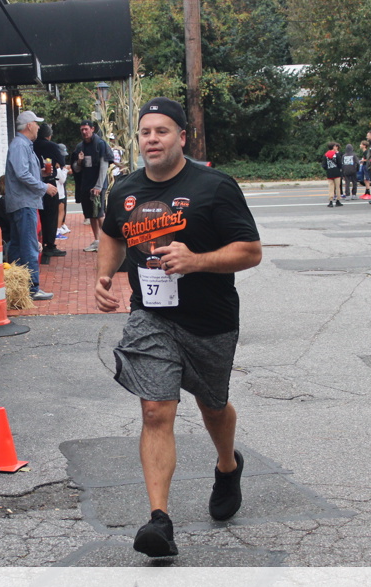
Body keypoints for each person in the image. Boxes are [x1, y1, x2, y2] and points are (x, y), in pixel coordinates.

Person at [94, 97, 262, 558]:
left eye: (162, 131)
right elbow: (111, 233)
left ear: (182, 137)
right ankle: (159, 521)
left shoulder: (215, 187)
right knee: (155, 411)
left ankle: (227, 466)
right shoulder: (125, 190)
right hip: (151, 317)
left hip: (209, 320)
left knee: (213, 406)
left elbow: (250, 251)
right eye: (145, 132)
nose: (152, 139)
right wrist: (104, 276)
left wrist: (196, 260)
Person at [5, 110, 58, 300]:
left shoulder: (22, 144)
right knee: (29, 245)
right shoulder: (20, 145)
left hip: (21, 202)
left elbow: (23, 172)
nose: (38, 127)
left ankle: (18, 286)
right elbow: (22, 174)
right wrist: (44, 187)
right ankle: (32, 288)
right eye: (36, 123)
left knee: (18, 245)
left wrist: (41, 174)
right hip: (24, 202)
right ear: (29, 125)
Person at [71, 120, 113, 253]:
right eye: (82, 130)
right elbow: (76, 169)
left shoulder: (100, 144)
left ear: (92, 129)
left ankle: (109, 241)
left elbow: (104, 166)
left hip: (98, 185)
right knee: (91, 214)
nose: (84, 132)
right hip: (85, 185)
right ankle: (97, 240)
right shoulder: (80, 147)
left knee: (99, 213)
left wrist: (99, 186)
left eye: (86, 129)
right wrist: (79, 161)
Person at [33, 123, 66, 260]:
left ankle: (40, 241)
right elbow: (61, 162)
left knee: (40, 215)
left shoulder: (32, 145)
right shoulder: (51, 146)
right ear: (49, 135)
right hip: (49, 182)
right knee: (51, 215)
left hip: (36, 183)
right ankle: (50, 245)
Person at [321, 142, 344, 207]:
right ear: (333, 147)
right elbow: (340, 164)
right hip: (337, 172)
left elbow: (324, 165)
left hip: (329, 172)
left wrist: (327, 169)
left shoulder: (325, 155)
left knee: (331, 187)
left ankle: (331, 201)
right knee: (337, 187)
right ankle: (338, 200)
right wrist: (339, 169)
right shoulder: (336, 154)